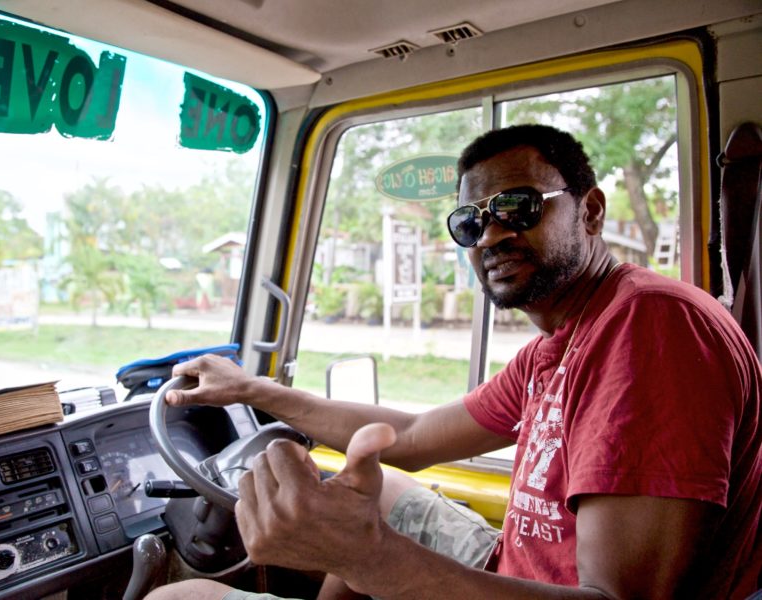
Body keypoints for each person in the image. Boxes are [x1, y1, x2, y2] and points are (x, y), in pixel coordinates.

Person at [146, 124, 762, 600]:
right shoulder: (557, 346)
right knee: (380, 483)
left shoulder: (651, 328)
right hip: (510, 564)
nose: (491, 236)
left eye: (518, 208)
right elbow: (410, 437)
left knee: (181, 596)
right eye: (471, 223)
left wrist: (370, 557)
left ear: (591, 212)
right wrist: (252, 390)